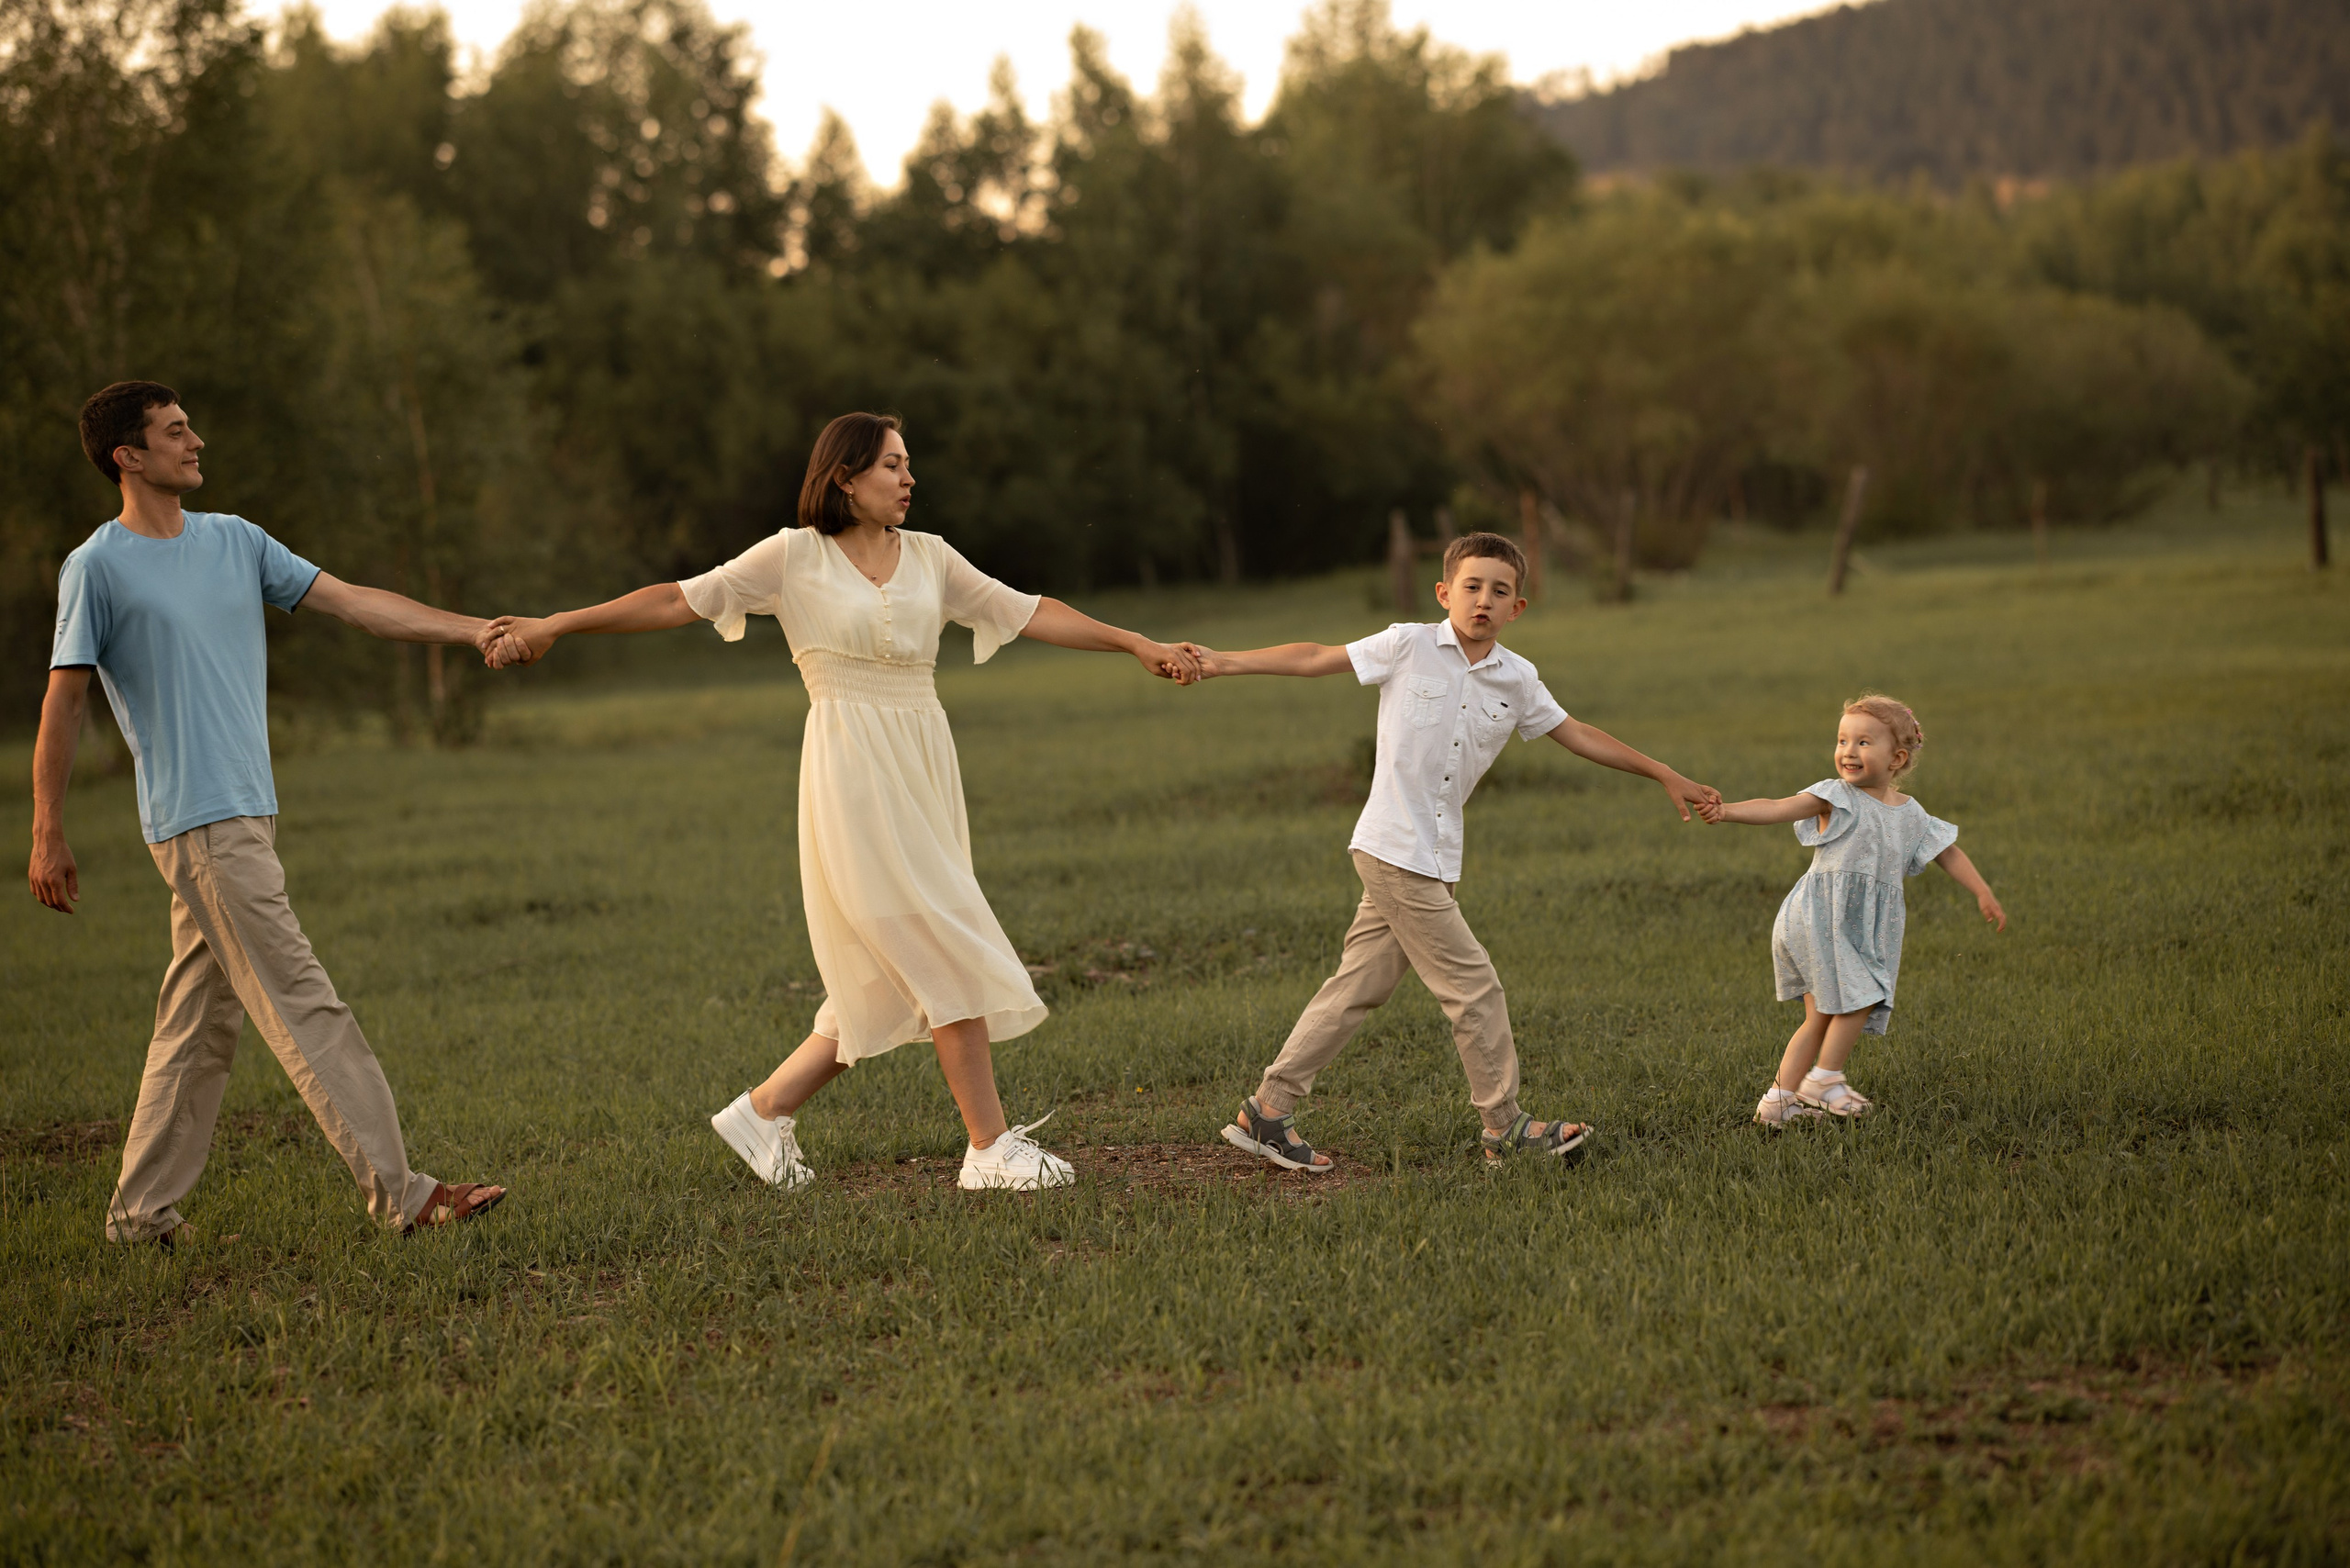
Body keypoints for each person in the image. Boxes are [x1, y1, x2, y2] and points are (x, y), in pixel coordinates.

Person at [484, 412, 1199, 1192]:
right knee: (939, 936)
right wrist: (556, 624)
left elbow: (1028, 610)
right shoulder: (792, 558)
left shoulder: (930, 557)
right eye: (893, 465)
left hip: (923, 766)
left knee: (893, 964)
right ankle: (989, 1150)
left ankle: (764, 1110)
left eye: (909, 464)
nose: (909, 478)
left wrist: (1136, 642)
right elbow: (674, 600)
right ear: (844, 478)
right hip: (851, 770)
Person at [31, 381, 509, 1245]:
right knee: (303, 1001)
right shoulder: (96, 567)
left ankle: (140, 1216)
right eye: (175, 432)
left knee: (198, 1021)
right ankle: (404, 1195)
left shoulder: (235, 541)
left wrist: (472, 629)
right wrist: (47, 830)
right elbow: (63, 702)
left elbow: (358, 604)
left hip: (247, 814)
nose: (197, 441)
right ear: (126, 457)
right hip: (198, 824)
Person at [1186, 532, 1719, 1171]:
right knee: (1474, 986)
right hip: (1392, 846)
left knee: (1358, 986)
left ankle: (1266, 1111)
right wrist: (1222, 661)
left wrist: (1663, 771)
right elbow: (1313, 656)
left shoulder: (1517, 678)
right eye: (1472, 587)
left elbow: (1575, 733)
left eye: (1500, 591)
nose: (1484, 600)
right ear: (1445, 593)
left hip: (1435, 854)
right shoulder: (1408, 644)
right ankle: (1505, 1128)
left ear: (1517, 607)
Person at [1698, 693, 2006, 1125]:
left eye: (1863, 742)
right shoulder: (1834, 796)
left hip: (1856, 925)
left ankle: (1778, 1103)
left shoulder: (1912, 815)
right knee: (1865, 994)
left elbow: (1947, 852)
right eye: (1843, 740)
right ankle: (1824, 1079)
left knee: (1822, 1017)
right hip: (1821, 916)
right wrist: (1726, 810)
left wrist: (1981, 891)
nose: (1848, 751)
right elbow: (1777, 806)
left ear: (1897, 757)